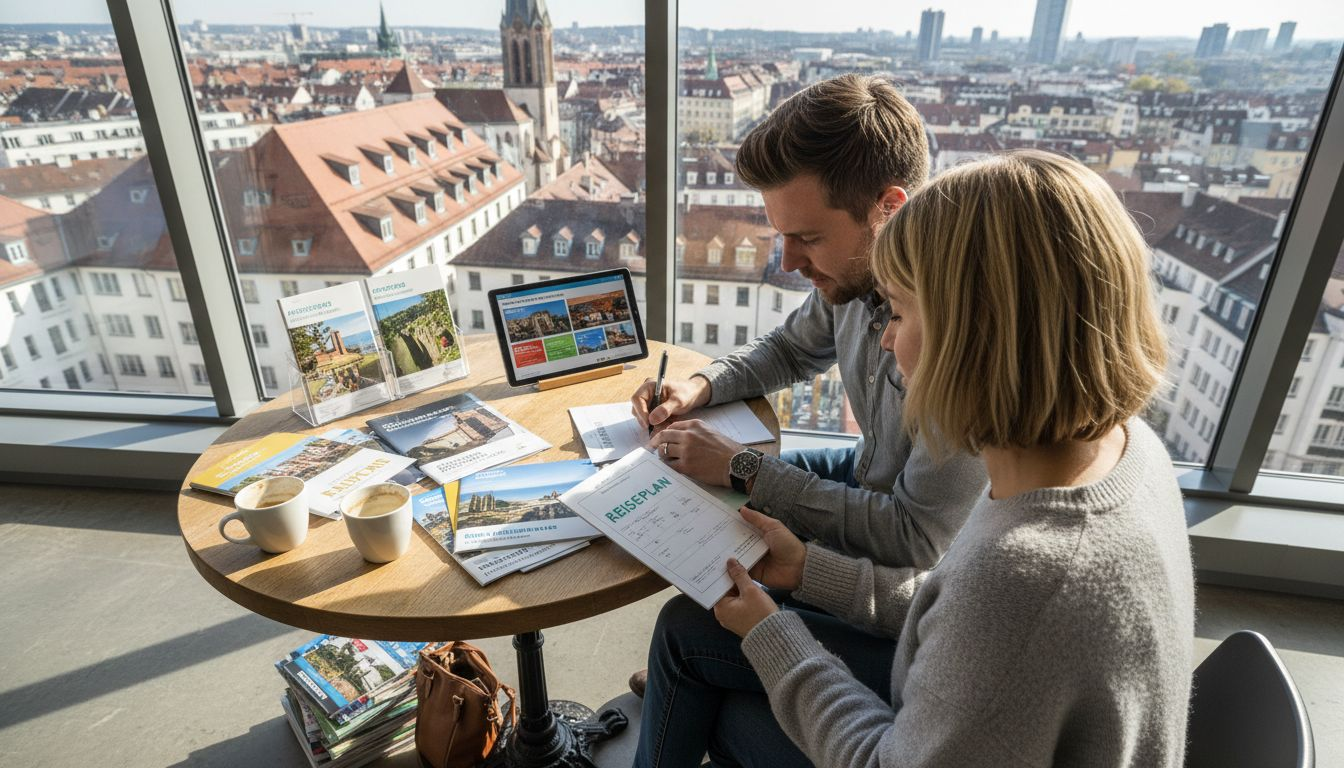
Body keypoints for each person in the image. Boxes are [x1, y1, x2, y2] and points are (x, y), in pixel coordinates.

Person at [634, 150, 1196, 767]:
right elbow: (952, 606)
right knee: (699, 669)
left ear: (973, 336)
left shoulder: (1022, 579)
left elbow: (966, 634)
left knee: (696, 668)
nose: (885, 337)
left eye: (898, 312)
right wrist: (811, 571)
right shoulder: (1129, 448)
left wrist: (775, 637)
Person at [632, 74, 986, 570]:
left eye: (809, 238)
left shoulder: (958, 336)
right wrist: (699, 386)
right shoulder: (855, 276)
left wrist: (745, 467)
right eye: (782, 236)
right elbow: (791, 349)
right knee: (693, 487)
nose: (788, 262)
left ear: (888, 210)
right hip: (862, 474)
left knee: (692, 603)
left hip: (901, 551)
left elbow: (916, 539)